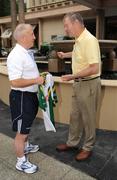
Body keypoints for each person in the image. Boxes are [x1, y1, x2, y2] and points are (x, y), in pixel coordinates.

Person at [56, 12, 101, 161]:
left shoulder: (89, 40)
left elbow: (94, 68)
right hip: (79, 83)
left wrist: (72, 76)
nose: (65, 29)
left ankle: (88, 147)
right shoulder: (79, 40)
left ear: (76, 23)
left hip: (88, 84)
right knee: (75, 116)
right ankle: (72, 143)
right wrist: (65, 55)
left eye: (66, 25)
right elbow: (79, 54)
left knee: (88, 118)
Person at [7, 24, 44, 173]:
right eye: (32, 34)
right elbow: (15, 81)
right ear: (23, 37)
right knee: (21, 132)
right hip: (21, 97)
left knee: (26, 125)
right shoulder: (16, 55)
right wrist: (36, 80)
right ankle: (21, 162)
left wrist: (37, 79)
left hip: (29, 96)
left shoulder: (25, 52)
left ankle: (26, 145)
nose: (34, 37)